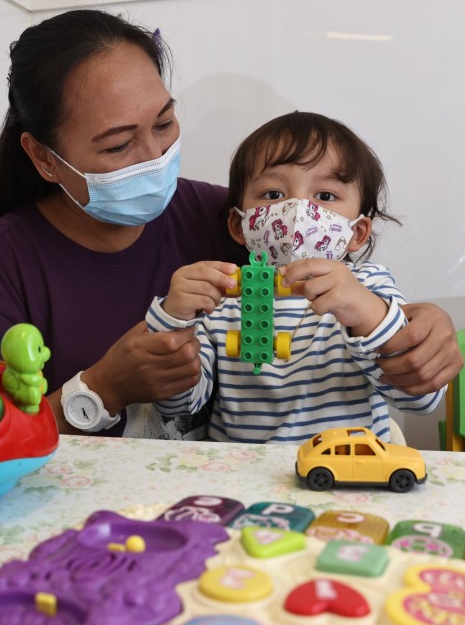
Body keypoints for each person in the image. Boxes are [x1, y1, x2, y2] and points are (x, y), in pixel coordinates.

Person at [0, 9, 463, 437]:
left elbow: (340, 286)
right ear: (44, 158)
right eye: (117, 145)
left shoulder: (236, 222)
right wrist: (105, 386)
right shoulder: (1, 266)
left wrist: (411, 325)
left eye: (164, 124)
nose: (155, 157)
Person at [146, 111, 445, 443]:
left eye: (325, 196)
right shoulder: (222, 296)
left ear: (357, 232)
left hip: (345, 478)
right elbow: (179, 404)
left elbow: (420, 399)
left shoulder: (370, 287)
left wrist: (366, 314)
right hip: (242, 479)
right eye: (274, 194)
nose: (297, 209)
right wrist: (173, 318)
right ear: (239, 225)